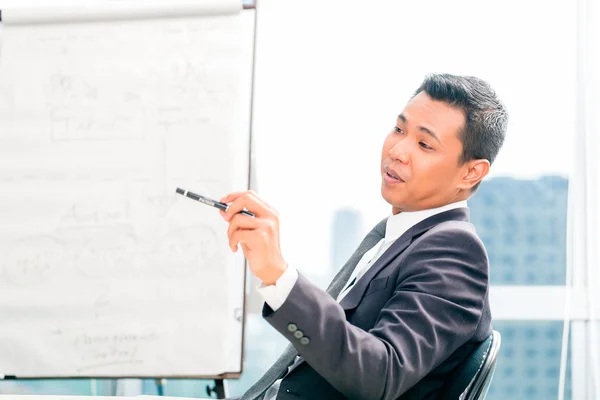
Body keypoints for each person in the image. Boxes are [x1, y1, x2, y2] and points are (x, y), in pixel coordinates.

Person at [219, 73, 508, 400]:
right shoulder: (391, 235)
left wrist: (278, 276)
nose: (398, 150)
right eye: (399, 129)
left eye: (424, 144)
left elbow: (381, 374)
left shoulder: (455, 251)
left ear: (471, 172)